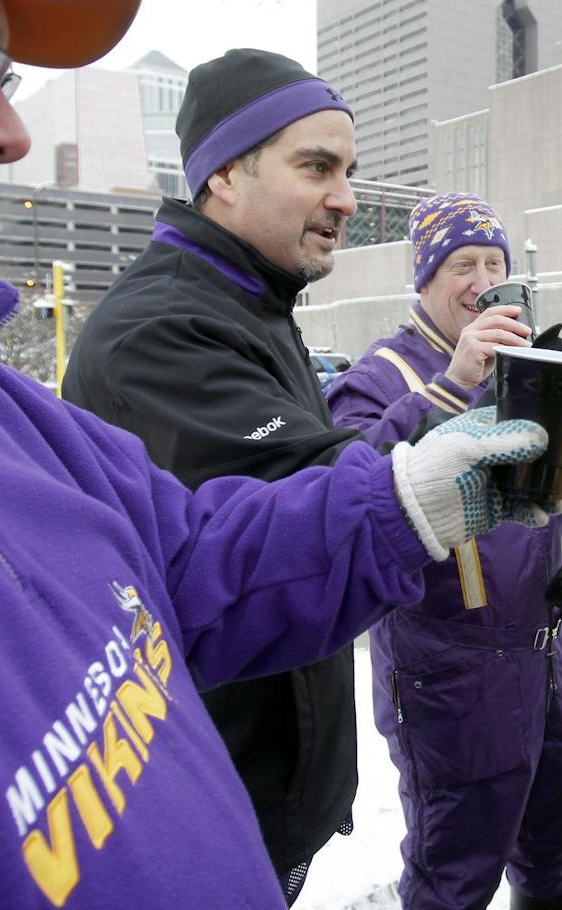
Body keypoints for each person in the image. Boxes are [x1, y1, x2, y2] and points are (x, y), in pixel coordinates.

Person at [0, 0, 553, 907]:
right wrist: (432, 411)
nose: (7, 129)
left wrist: (416, 500)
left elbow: (189, 555)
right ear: (223, 173)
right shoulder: (155, 326)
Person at [62, 48, 382, 902]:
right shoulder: (164, 329)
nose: (345, 199)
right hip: (211, 797)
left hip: (269, 782)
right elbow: (323, 498)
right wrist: (549, 399)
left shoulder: (251, 302)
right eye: (317, 167)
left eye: (347, 170)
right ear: (226, 175)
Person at [328, 193, 562, 910]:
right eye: (462, 263)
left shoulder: (526, 364)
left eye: (494, 262)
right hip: (450, 672)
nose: (482, 278)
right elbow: (342, 482)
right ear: (425, 278)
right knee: (456, 869)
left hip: (544, 650)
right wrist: (455, 385)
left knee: (552, 840)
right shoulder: (382, 373)